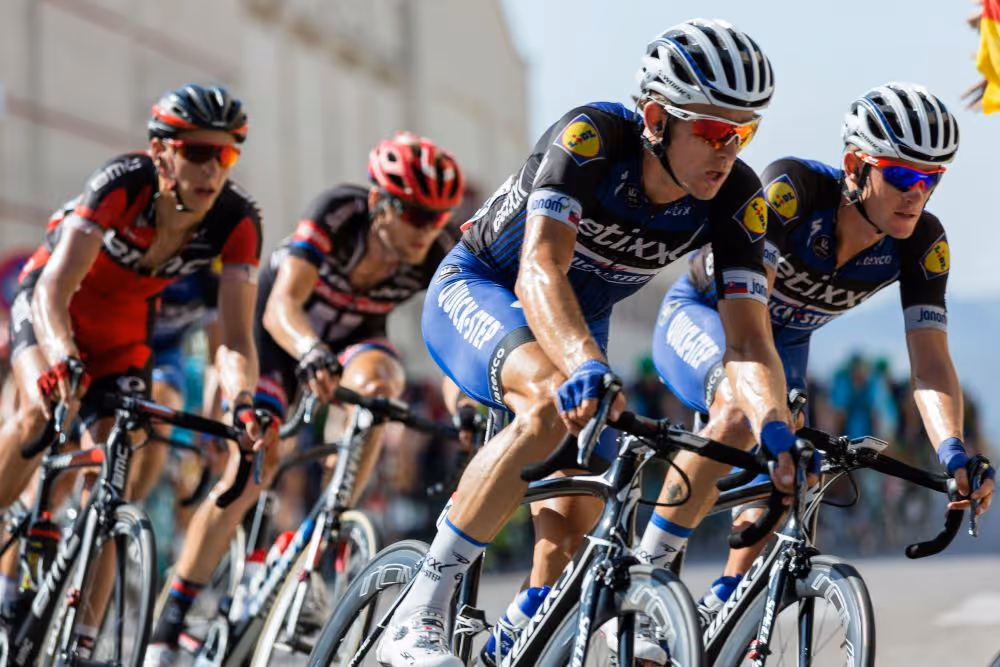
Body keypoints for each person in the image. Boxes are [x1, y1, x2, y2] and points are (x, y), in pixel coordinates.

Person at [376, 18, 803, 667]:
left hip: (577, 320)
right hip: (488, 287)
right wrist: (584, 364)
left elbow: (749, 340)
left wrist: (775, 429)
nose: (730, 149)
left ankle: (507, 645)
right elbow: (539, 267)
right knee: (548, 404)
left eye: (745, 132)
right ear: (657, 117)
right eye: (715, 131)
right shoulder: (592, 139)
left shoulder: (737, 195)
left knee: (574, 526)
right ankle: (420, 608)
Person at [649, 82, 995, 636]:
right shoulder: (794, 191)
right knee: (744, 411)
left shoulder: (923, 242)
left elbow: (930, 366)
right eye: (903, 175)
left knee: (798, 472)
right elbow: (747, 322)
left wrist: (954, 452)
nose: (918, 194)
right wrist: (772, 403)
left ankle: (720, 606)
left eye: (932, 179)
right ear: (856, 165)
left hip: (784, 345)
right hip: (712, 317)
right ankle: (650, 576)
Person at [146, 131, 469, 663]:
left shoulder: (435, 250)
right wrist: (311, 351)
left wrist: (463, 404)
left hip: (353, 341)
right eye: (412, 212)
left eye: (436, 217)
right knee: (253, 463)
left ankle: (329, 524)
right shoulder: (338, 213)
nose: (424, 229)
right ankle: (172, 617)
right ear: (378, 203)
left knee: (382, 386)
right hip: (279, 337)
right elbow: (279, 307)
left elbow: (451, 340)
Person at [0, 83, 277, 659]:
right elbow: (53, 289)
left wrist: (243, 401)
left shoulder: (236, 221)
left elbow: (233, 340)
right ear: (162, 153)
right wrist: (60, 357)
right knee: (36, 413)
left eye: (224, 154)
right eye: (197, 153)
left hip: (124, 333)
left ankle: (81, 641)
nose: (211, 169)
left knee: (114, 476)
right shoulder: (121, 185)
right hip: (55, 311)